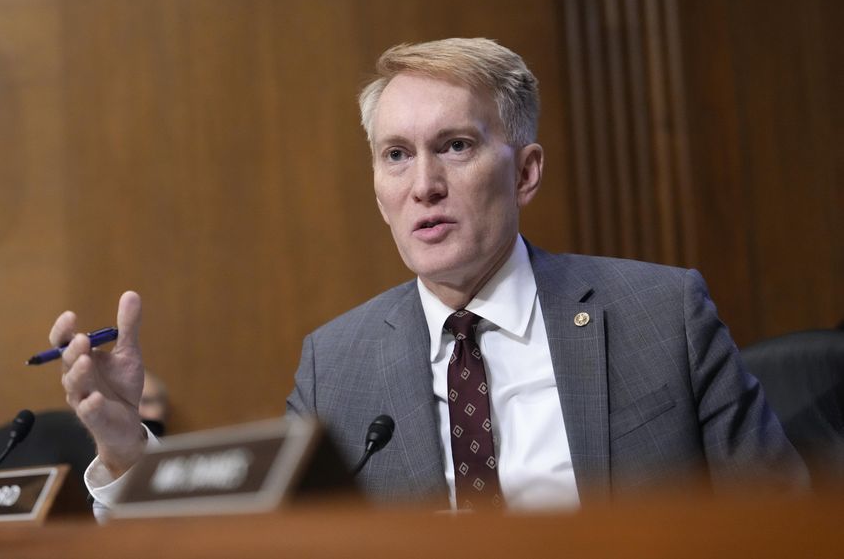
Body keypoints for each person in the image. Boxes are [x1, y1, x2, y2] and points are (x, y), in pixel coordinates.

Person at [53, 38, 807, 513]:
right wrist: (127, 451)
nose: (424, 185)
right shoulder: (337, 363)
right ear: (378, 188)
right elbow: (265, 540)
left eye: (453, 145)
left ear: (527, 170)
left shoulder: (659, 313)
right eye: (396, 155)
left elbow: (785, 521)